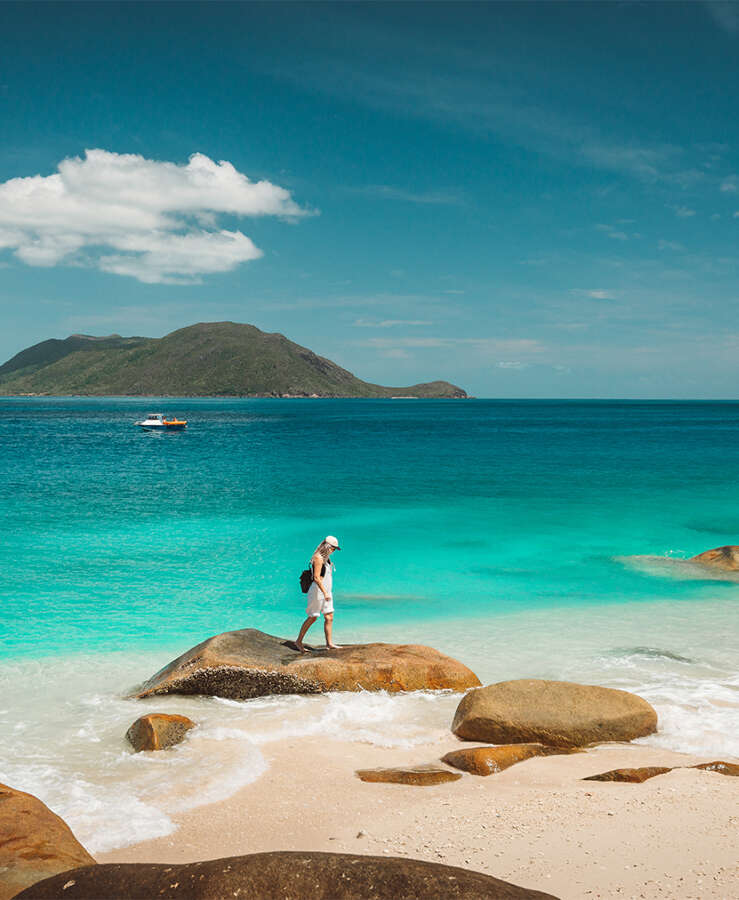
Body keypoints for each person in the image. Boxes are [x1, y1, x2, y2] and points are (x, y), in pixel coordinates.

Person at [294, 535, 341, 652]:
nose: (333, 551)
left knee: (329, 617)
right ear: (327, 546)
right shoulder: (318, 558)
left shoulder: (327, 558)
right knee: (313, 616)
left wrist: (328, 592)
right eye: (333, 548)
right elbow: (316, 577)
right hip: (318, 592)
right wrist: (325, 593)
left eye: (335, 549)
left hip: (327, 592)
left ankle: (329, 643)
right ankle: (298, 641)